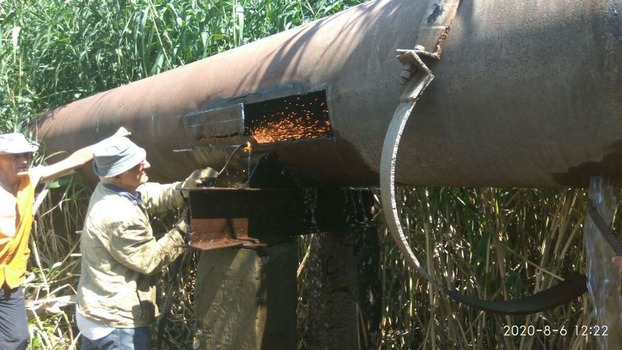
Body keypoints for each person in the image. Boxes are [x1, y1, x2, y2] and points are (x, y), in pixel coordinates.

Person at [0, 127, 129, 349]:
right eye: (15, 156)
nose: (24, 160)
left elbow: (75, 161)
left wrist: (112, 140)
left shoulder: (29, 180)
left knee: (17, 339)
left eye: (27, 155)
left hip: (9, 280)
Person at [76, 136, 210, 350]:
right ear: (118, 175)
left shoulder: (109, 189)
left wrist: (184, 189)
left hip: (97, 312)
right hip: (117, 324)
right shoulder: (119, 215)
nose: (146, 165)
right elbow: (151, 260)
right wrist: (187, 226)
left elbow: (147, 194)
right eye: (137, 163)